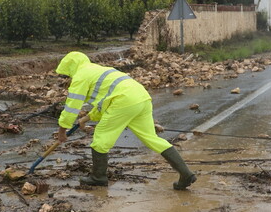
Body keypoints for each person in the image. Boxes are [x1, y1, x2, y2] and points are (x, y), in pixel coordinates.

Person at [54, 51, 196, 190]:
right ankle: (185, 174)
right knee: (151, 138)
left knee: (101, 140)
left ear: (71, 67)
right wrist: (86, 118)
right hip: (141, 97)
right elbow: (104, 101)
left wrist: (62, 131)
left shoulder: (80, 76)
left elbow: (71, 108)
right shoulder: (98, 70)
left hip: (123, 101)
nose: (68, 77)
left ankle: (98, 178)